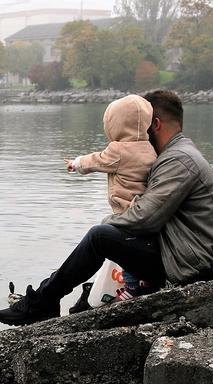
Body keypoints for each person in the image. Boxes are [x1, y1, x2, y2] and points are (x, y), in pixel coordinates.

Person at [0, 90, 213, 326]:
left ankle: (43, 301)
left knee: (100, 236)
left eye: (142, 129)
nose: (139, 136)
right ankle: (48, 298)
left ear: (155, 124)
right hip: (181, 254)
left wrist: (108, 223)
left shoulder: (179, 159)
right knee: (108, 235)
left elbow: (145, 218)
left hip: (190, 265)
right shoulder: (175, 155)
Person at [64, 94, 157, 303]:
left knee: (121, 248)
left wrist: (76, 163)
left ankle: (132, 287)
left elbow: (97, 161)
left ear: (114, 124)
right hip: (144, 210)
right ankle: (143, 281)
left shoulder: (118, 150)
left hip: (126, 211)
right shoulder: (150, 148)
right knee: (134, 247)